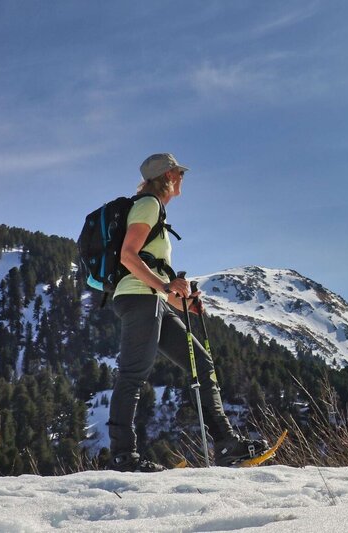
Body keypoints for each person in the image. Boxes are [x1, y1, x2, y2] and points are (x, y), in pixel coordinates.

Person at [107, 153, 267, 472]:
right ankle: (124, 457)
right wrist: (167, 289)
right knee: (133, 375)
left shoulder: (155, 211)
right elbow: (128, 256)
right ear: (167, 176)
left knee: (201, 362)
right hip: (139, 299)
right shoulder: (148, 205)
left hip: (151, 298)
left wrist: (183, 301)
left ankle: (226, 444)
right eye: (179, 173)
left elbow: (154, 273)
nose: (181, 178)